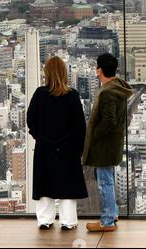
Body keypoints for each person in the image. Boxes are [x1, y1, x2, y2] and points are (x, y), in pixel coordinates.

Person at [27, 56, 88, 230]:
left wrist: (39, 136)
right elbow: (80, 126)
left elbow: (30, 120)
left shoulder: (40, 94)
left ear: (46, 73)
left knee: (44, 182)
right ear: (64, 73)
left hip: (45, 147)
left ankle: (45, 220)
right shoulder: (72, 95)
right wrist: (76, 147)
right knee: (67, 184)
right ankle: (68, 221)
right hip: (68, 148)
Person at [83, 53, 133, 232]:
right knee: (106, 179)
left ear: (100, 70)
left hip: (104, 146)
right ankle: (113, 213)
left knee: (104, 182)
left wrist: (94, 134)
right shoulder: (117, 87)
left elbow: (109, 120)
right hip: (113, 144)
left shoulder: (107, 92)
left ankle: (107, 220)